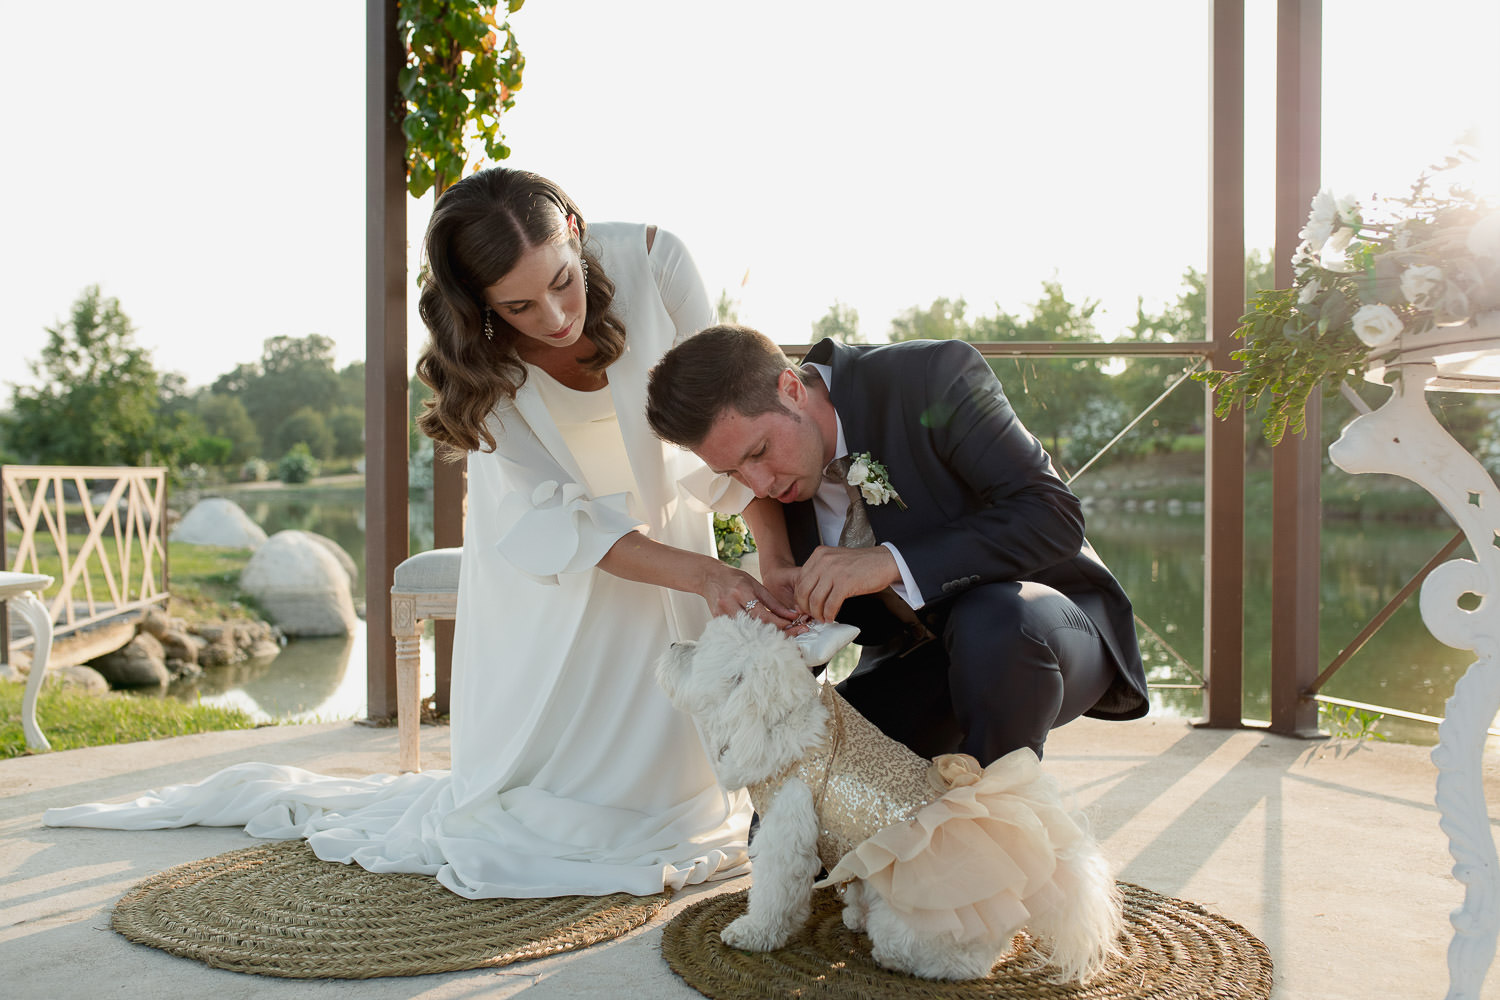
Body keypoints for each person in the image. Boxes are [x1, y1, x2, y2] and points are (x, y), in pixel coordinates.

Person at [45, 169, 798, 899]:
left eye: (563, 282)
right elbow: (560, 521)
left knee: (686, 771)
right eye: (521, 306)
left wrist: (772, 553)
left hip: (664, 519)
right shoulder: (477, 357)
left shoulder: (658, 263)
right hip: (549, 558)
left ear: (574, 230)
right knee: (554, 803)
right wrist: (704, 576)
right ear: (478, 303)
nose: (556, 318)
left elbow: (728, 423)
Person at [644, 324, 1150, 765]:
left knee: (992, 625)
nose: (757, 483)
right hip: (917, 661)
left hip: (1037, 630)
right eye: (733, 471)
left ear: (792, 388)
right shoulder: (779, 482)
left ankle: (991, 823)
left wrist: (888, 562)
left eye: (759, 452)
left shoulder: (932, 375)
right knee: (795, 830)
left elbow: (1054, 515)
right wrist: (786, 624)